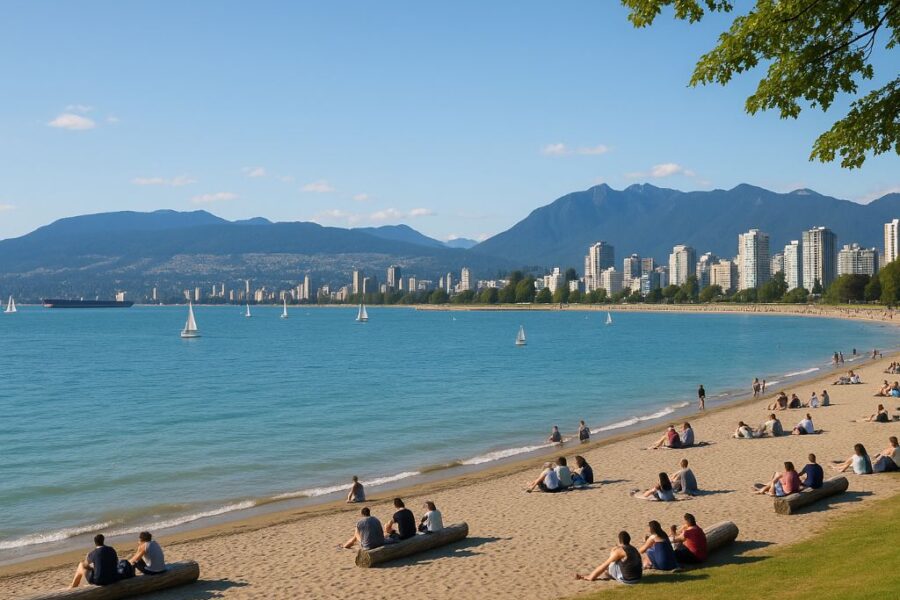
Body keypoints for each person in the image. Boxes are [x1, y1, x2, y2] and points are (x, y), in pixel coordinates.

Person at [575, 530, 642, 583]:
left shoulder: (620, 551)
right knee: (618, 561)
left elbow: (605, 565)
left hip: (629, 580)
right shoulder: (634, 548)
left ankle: (605, 575)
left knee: (611, 564)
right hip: (638, 577)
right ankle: (613, 574)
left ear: (619, 541)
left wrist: (590, 577)